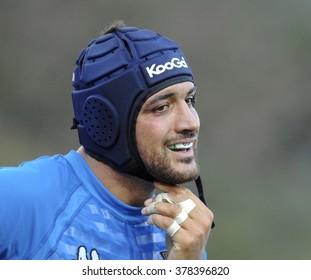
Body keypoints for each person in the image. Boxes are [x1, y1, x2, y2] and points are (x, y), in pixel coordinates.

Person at [0, 21, 214, 260]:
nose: (191, 123)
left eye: (190, 100)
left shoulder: (180, 236)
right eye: (162, 107)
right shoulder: (17, 198)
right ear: (105, 123)